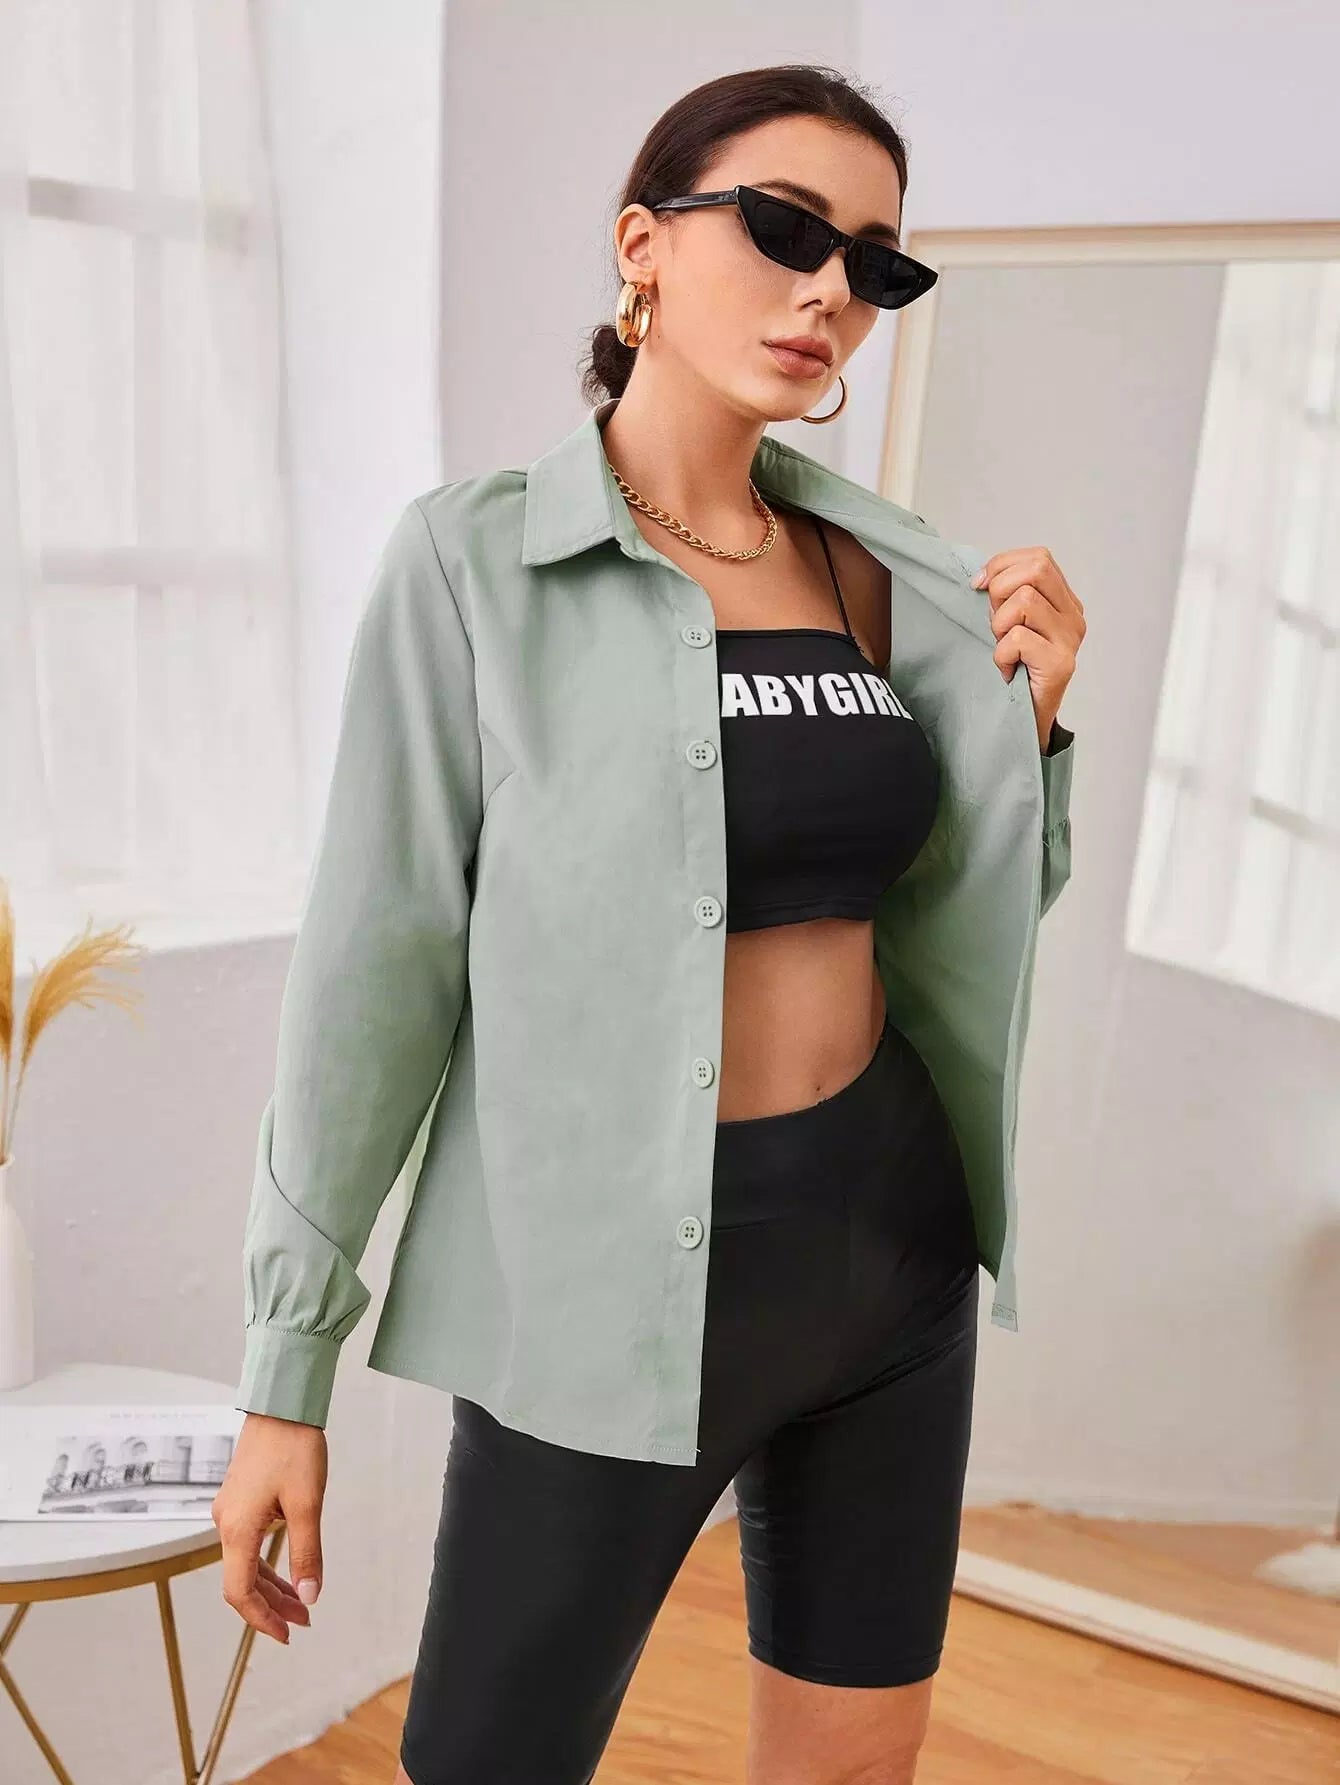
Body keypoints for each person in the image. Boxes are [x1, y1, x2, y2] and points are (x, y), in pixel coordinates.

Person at [212, 63, 1084, 1785]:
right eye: (783, 229)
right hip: (603, 1294)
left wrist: (1033, 737)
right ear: (643, 246)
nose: (828, 291)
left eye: (874, 264)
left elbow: (957, 919)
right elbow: (372, 974)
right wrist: (281, 1372)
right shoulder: (473, 565)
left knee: (852, 1769)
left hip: (889, 1261)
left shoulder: (885, 575)